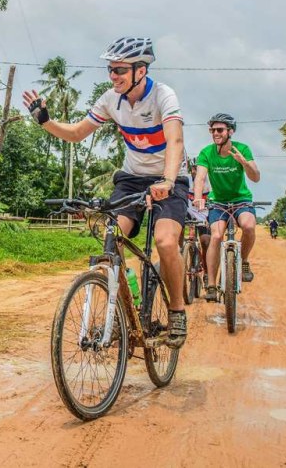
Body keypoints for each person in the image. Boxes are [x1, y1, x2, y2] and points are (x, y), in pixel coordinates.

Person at [22, 36, 190, 348]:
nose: (113, 76)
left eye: (120, 70)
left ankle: (177, 311)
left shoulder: (164, 96)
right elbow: (75, 133)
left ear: (140, 70)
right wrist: (44, 121)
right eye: (110, 70)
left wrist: (167, 181)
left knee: (166, 242)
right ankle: (125, 312)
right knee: (112, 242)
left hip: (170, 178)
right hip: (131, 179)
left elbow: (175, 142)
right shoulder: (110, 99)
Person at [193, 113, 261, 302]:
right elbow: (200, 178)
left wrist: (245, 163)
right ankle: (212, 285)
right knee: (215, 236)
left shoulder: (242, 149)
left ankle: (244, 260)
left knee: (248, 226)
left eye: (220, 130)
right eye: (212, 130)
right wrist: (198, 198)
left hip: (241, 200)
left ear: (230, 131)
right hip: (218, 201)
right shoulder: (206, 152)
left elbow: (256, 177)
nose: (216, 133)